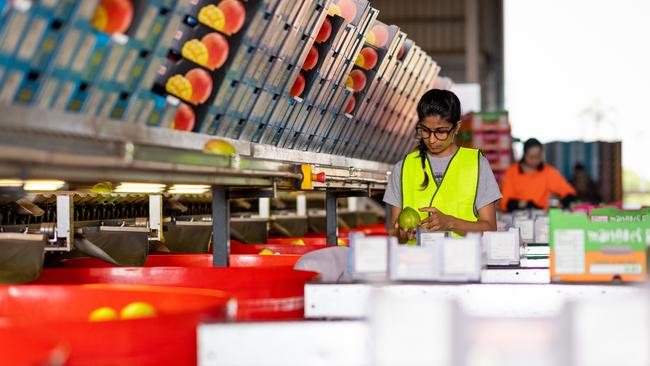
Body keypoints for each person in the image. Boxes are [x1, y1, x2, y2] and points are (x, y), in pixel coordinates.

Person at [383, 89, 502, 242]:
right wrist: (402, 234)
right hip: (415, 263)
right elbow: (394, 232)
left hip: (463, 263)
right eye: (425, 130)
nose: (432, 139)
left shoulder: (476, 164)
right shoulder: (404, 167)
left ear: (457, 127)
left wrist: (450, 223)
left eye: (441, 131)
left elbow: (490, 228)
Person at [500, 138, 576, 212]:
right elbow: (504, 202)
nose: (535, 160)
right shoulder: (512, 171)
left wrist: (561, 203)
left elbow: (570, 193)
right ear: (524, 154)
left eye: (538, 156)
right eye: (531, 157)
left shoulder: (549, 172)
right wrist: (525, 204)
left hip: (541, 217)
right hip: (516, 216)